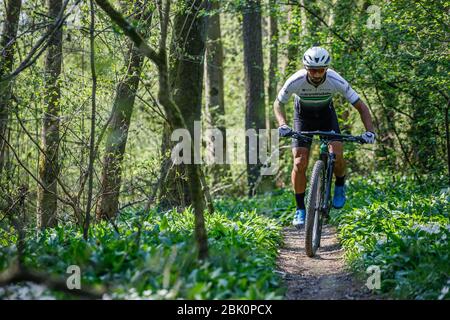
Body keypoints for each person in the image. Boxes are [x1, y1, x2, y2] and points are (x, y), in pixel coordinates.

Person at [273, 46, 376, 228]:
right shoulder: (295, 80)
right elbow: (278, 104)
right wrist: (282, 124)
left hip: (327, 117)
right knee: (299, 162)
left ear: (326, 68)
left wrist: (369, 131)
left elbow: (361, 107)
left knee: (336, 155)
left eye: (321, 70)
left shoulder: (335, 79)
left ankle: (340, 185)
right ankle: (300, 209)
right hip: (303, 118)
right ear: (306, 68)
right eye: (313, 70)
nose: (317, 74)